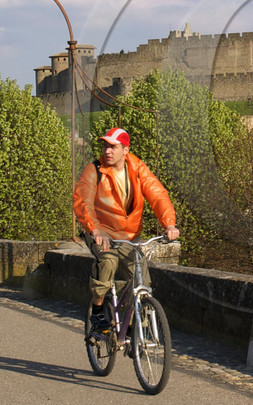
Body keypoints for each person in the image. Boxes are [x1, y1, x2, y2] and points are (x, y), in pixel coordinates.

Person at [72, 128, 179, 332]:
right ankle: (97, 311)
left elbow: (157, 194)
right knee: (108, 262)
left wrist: (169, 224)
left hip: (129, 236)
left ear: (125, 150)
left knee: (141, 280)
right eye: (105, 146)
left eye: (113, 146)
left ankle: (132, 325)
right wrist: (95, 230)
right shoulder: (94, 170)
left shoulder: (137, 168)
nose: (107, 151)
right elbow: (83, 201)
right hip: (102, 231)